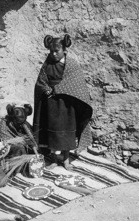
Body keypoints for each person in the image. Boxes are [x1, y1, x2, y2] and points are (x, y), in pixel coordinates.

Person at [32, 34, 93, 170]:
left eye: (57, 51)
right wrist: (46, 89)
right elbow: (41, 80)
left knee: (67, 131)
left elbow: (75, 82)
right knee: (53, 132)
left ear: (64, 50)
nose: (54, 54)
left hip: (67, 104)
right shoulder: (48, 63)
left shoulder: (71, 64)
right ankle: (54, 159)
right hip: (52, 103)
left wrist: (58, 89)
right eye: (51, 51)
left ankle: (66, 159)